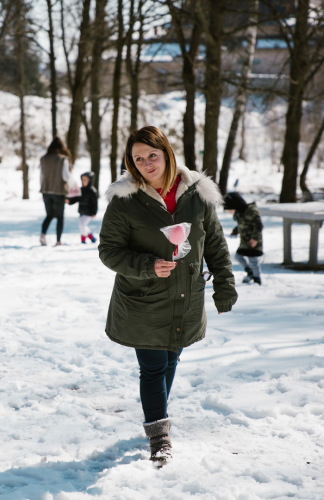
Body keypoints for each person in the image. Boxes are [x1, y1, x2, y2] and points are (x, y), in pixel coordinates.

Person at [98, 126, 238, 465]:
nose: (147, 163)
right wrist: (148, 266)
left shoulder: (196, 195)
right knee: (152, 366)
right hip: (142, 300)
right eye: (138, 159)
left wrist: (224, 284)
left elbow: (215, 244)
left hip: (185, 297)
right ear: (131, 164)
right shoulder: (126, 200)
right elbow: (108, 251)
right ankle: (159, 435)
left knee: (172, 358)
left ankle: (155, 416)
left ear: (167, 154)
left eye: (152, 155)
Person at [224, 192, 264, 285]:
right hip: (244, 241)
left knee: (253, 260)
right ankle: (250, 272)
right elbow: (241, 225)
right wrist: (235, 231)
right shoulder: (240, 213)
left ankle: (257, 278)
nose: (229, 212)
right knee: (238, 256)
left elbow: (258, 226)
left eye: (230, 210)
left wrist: (254, 239)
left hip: (253, 241)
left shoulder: (251, 211)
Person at [39, 137, 72, 246]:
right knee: (60, 217)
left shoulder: (43, 159)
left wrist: (43, 188)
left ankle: (43, 235)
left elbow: (41, 176)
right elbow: (66, 177)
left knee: (49, 215)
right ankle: (58, 241)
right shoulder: (62, 159)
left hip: (46, 191)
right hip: (59, 191)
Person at [66, 171, 98, 244]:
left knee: (82, 225)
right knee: (82, 225)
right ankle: (91, 237)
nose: (83, 181)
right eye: (82, 180)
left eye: (85, 180)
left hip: (89, 212)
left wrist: (94, 212)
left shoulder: (92, 191)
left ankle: (83, 239)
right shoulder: (80, 190)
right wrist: (69, 201)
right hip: (82, 211)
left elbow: (95, 203)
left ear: (90, 181)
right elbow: (76, 198)